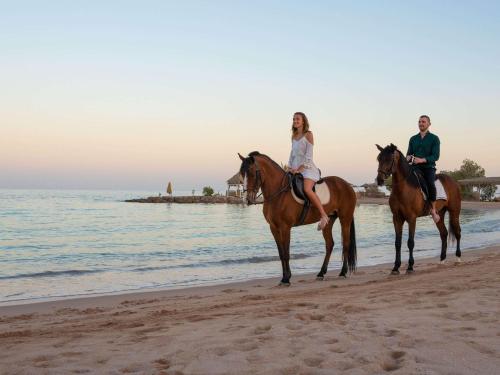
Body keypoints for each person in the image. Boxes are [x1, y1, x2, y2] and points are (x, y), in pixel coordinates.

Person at [286, 112, 329, 230]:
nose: (295, 121)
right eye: (294, 119)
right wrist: (289, 166)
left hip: (307, 168)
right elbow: (292, 154)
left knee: (307, 188)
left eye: (297, 119)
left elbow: (309, 156)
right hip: (294, 168)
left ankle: (323, 215)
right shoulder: (294, 136)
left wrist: (300, 169)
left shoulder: (308, 134)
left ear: (303, 121)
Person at [406, 115, 441, 223]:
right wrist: (408, 157)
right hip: (414, 167)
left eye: (423, 122)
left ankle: (433, 210)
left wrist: (422, 160)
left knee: (430, 183)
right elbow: (408, 154)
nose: (421, 123)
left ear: (429, 124)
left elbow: (436, 156)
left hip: (428, 167)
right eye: (419, 121)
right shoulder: (413, 138)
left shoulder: (434, 138)